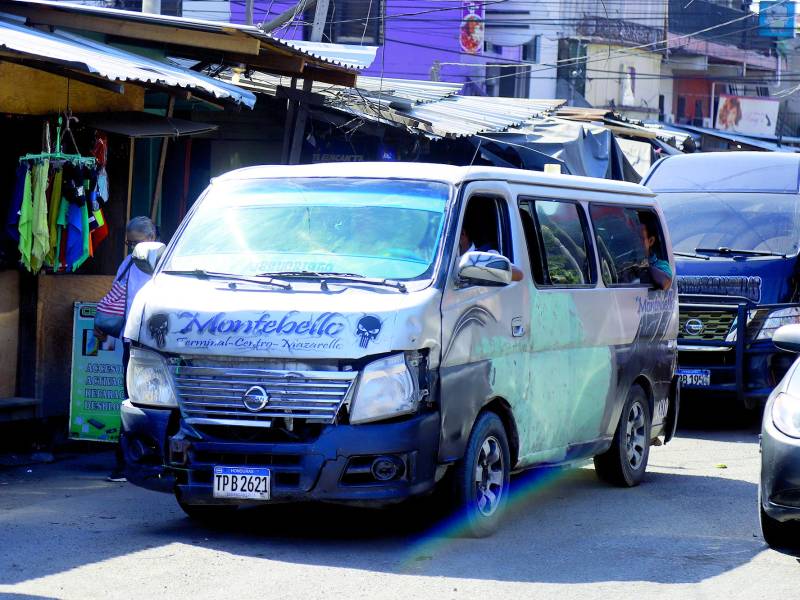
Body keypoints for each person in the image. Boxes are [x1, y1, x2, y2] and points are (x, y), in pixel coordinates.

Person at [98, 216, 158, 482]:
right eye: (128, 242)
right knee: (129, 402)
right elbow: (116, 297)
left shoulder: (162, 264)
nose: (131, 246)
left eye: (135, 241)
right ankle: (125, 463)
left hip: (155, 346)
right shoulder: (128, 262)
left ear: (151, 238)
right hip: (130, 343)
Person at [459, 223, 524, 282]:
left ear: (462, 233)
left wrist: (484, 270)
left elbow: (518, 274)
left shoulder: (486, 253)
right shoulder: (450, 260)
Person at [639, 213, 672, 291]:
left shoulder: (661, 265)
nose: (635, 242)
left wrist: (644, 268)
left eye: (640, 238)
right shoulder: (624, 264)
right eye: (633, 237)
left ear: (651, 241)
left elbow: (666, 282)